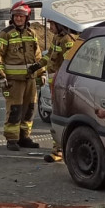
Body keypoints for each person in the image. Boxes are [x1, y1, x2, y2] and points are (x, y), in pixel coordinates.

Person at [0, 2, 44, 151]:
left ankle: (24, 137)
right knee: (15, 109)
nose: (19, 19)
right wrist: (1, 76)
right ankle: (12, 139)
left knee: (29, 109)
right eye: (16, 16)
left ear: (26, 17)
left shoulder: (31, 34)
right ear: (12, 17)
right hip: (13, 81)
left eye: (21, 16)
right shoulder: (6, 34)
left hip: (30, 80)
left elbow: (38, 56)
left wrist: (42, 73)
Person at [41, 19, 77, 162]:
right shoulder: (57, 38)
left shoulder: (68, 40)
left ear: (60, 25)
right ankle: (60, 149)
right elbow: (48, 56)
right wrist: (36, 66)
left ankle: (59, 151)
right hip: (55, 86)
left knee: (60, 117)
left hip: (62, 86)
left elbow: (69, 64)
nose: (50, 28)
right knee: (57, 116)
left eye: (52, 25)